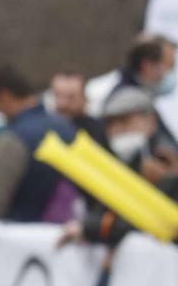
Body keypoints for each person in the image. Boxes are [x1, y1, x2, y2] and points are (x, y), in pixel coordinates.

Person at [63, 85, 178, 249]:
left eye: (124, 121)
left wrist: (90, 229)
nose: (116, 130)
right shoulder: (122, 162)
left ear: (151, 120)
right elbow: (106, 210)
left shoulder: (166, 163)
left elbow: (150, 221)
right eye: (110, 123)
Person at [0, 66, 77, 223]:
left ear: (5, 96)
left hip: (24, 235)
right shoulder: (66, 127)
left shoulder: (13, 139)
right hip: (68, 231)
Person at [49, 72, 102, 146]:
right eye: (57, 95)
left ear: (85, 98)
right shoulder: (44, 129)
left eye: (71, 97)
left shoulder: (99, 129)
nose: (62, 104)